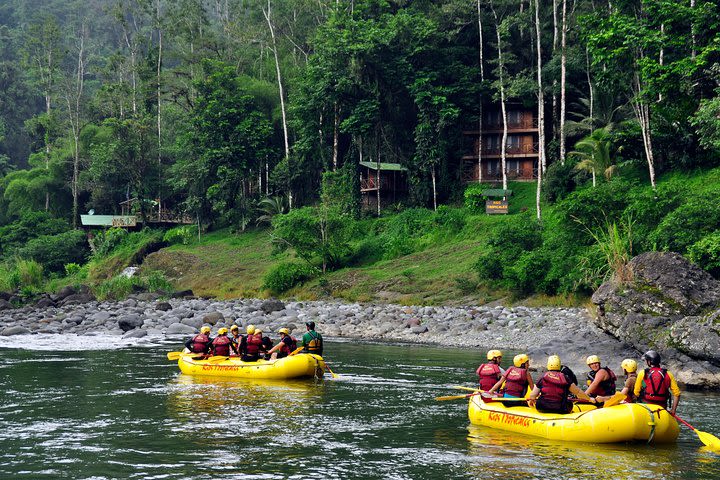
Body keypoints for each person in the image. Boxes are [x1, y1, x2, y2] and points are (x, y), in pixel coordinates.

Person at [528, 355, 595, 414]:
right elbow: (578, 392)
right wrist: (589, 399)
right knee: (569, 402)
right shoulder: (565, 378)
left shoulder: (543, 377)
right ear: (559, 365)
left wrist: (532, 400)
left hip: (542, 407)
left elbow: (533, 395)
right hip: (560, 408)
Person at [634, 350, 681, 414]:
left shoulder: (642, 373)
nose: (645, 362)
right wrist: (673, 410)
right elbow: (677, 394)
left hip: (645, 408)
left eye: (646, 360)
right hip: (661, 408)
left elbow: (636, 393)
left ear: (649, 361)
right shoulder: (668, 374)